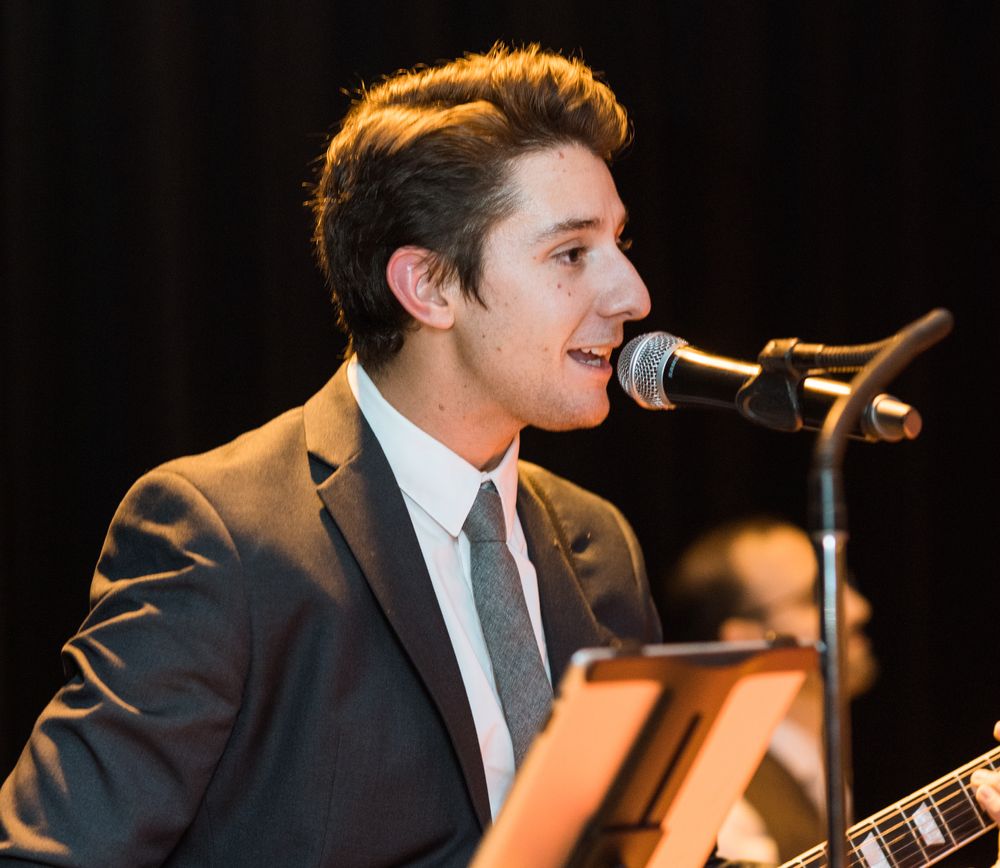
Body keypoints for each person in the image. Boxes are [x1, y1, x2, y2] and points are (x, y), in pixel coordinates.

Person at [0, 45, 662, 867]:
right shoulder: (221, 538)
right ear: (428, 286)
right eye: (571, 254)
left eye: (620, 243)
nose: (631, 294)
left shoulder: (598, 546)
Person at [659, 516, 877, 862]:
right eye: (815, 596)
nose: (857, 609)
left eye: (844, 583)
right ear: (746, 639)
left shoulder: (818, 770)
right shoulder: (721, 801)